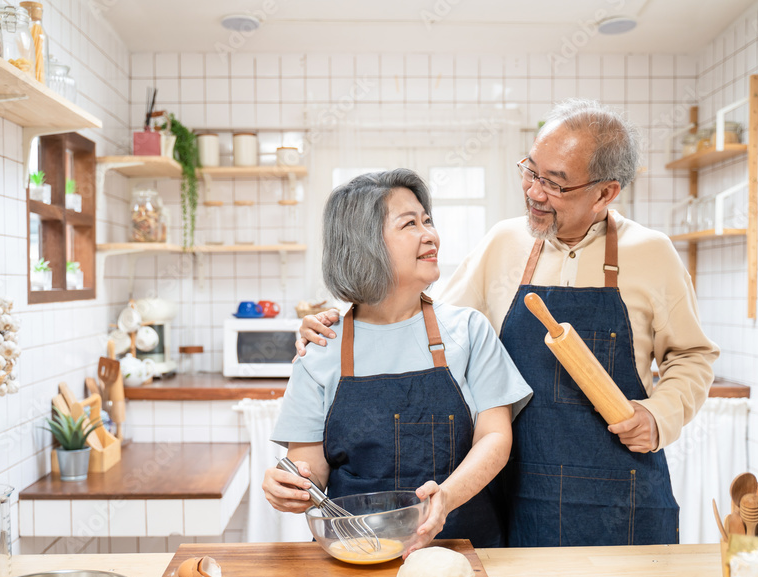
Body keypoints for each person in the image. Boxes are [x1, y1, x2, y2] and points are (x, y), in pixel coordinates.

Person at [297, 100, 720, 548]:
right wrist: (338, 324)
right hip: (520, 490)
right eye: (531, 171)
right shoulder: (504, 242)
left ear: (605, 193)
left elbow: (692, 355)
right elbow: (420, 318)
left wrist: (658, 415)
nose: (534, 192)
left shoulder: (652, 254)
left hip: (622, 490)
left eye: (555, 184)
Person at [263, 169, 532, 553]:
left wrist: (444, 500)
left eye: (428, 220)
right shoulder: (321, 347)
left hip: (462, 547)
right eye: (410, 224)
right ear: (364, 244)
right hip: (352, 553)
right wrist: (289, 489)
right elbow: (309, 472)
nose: (430, 235)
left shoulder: (469, 331)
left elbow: (495, 437)